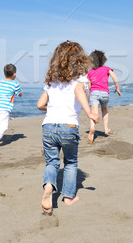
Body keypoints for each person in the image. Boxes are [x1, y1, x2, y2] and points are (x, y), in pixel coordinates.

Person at [37, 41, 99, 214]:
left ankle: (49, 187)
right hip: (69, 125)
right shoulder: (80, 80)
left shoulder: (51, 82)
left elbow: (40, 104)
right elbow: (79, 91)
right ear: (80, 60)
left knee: (52, 162)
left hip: (49, 125)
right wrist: (89, 113)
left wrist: (52, 110)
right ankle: (68, 197)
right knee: (70, 162)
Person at [86, 50, 121, 143]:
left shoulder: (90, 72)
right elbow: (114, 76)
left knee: (94, 112)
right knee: (104, 109)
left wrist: (89, 92)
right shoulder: (106, 69)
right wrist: (117, 88)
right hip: (105, 93)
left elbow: (89, 85)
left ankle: (92, 128)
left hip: (94, 93)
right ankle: (106, 129)